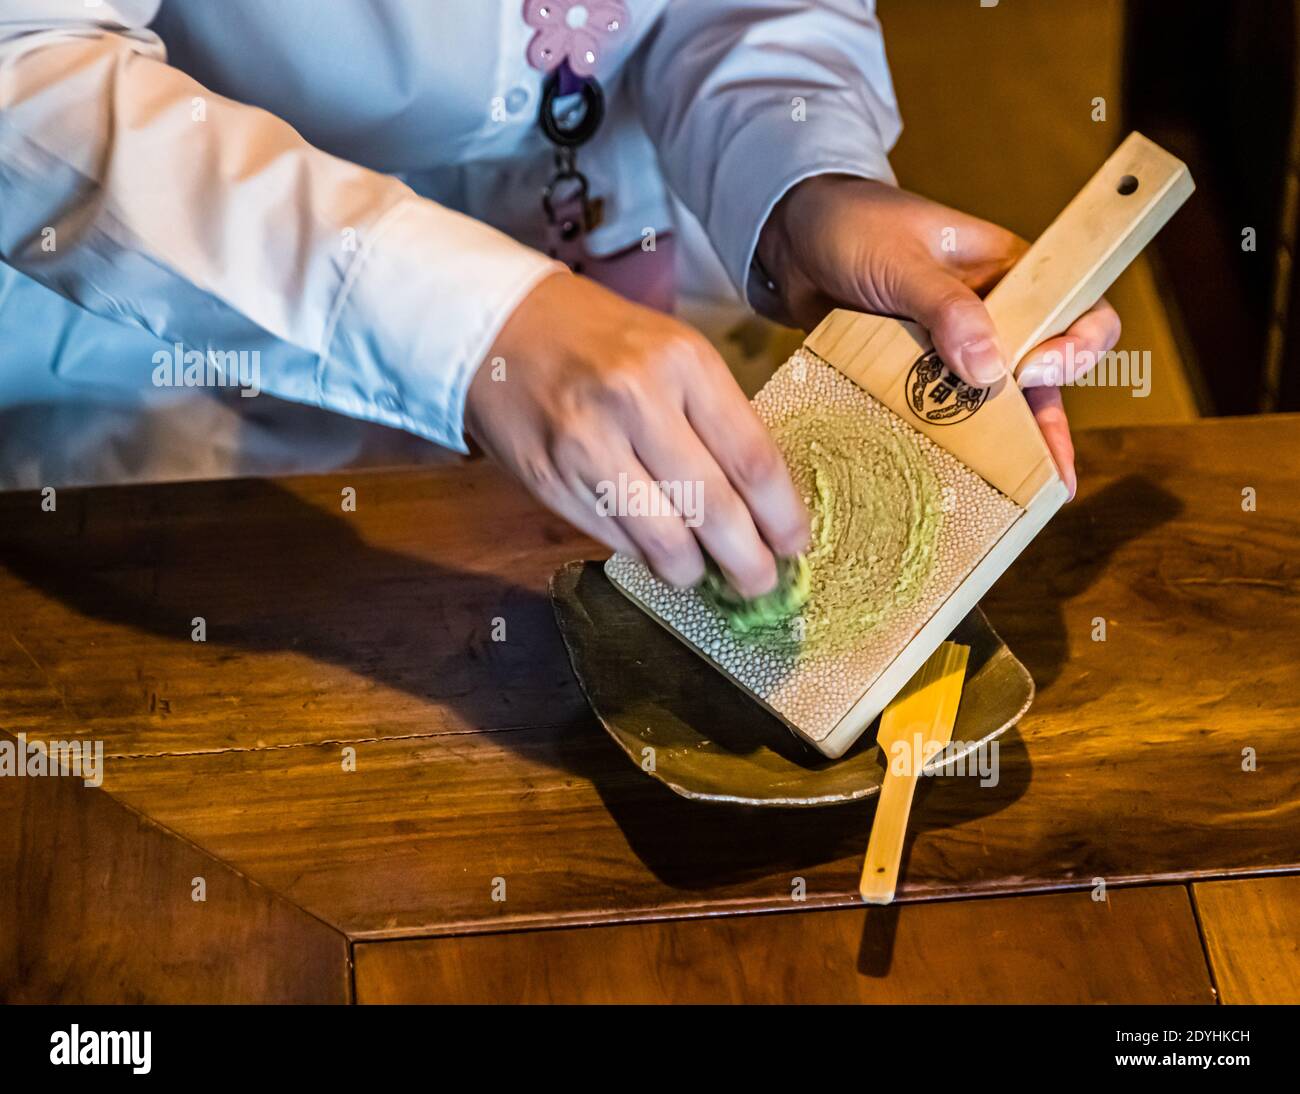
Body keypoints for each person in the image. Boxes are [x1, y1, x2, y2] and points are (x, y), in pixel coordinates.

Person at [0, 1, 1118, 598]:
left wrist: (807, 183)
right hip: (193, 342)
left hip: (626, 285)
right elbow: (25, 64)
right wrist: (465, 325)